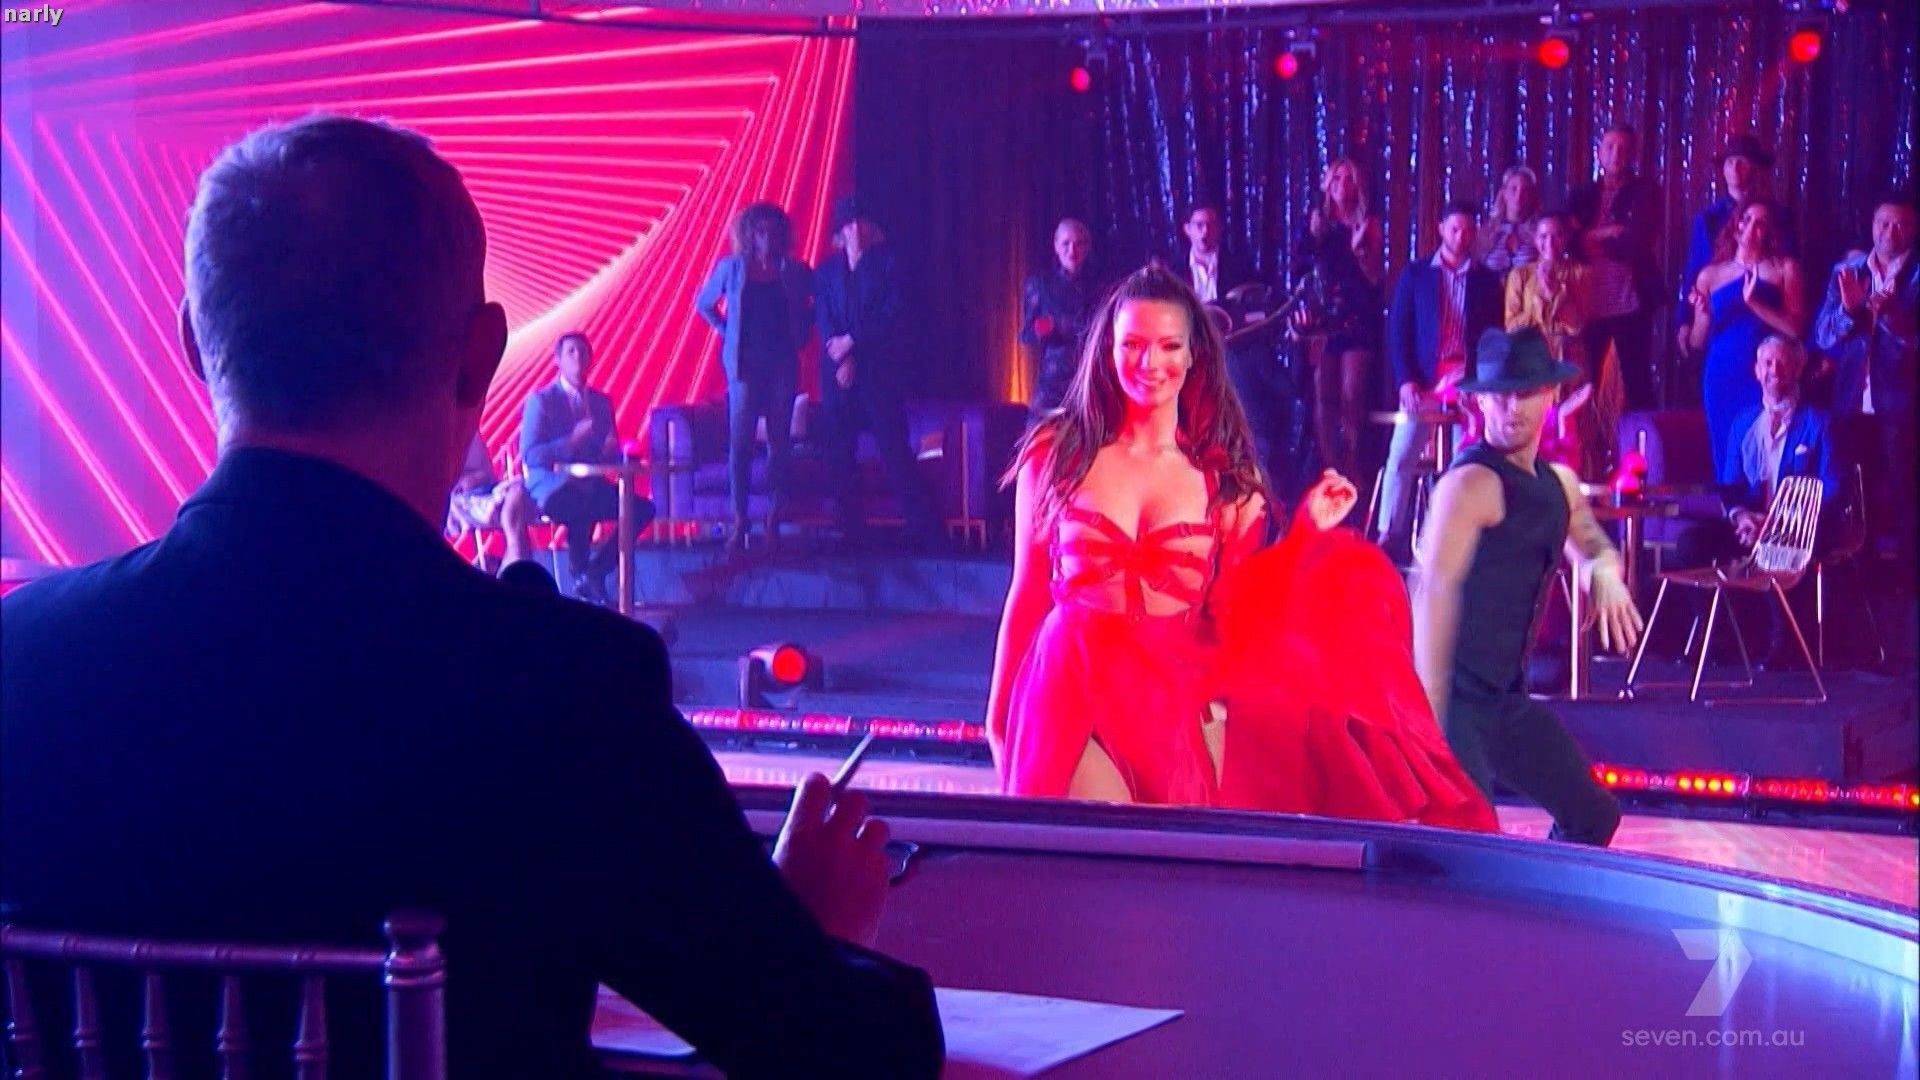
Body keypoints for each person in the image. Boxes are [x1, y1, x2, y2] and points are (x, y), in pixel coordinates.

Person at [0, 115, 943, 1079]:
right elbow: (852, 1059)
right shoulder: (565, 691)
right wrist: (813, 936)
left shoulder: (18, 665)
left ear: (195, 345)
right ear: (479, 354)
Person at [985, 265, 1494, 830]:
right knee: (1098, 840)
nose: (1150, 363)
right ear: (1107, 349)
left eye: (1168, 346)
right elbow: (1026, 591)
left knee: (1156, 874)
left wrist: (1305, 533)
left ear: (1194, 356)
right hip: (1067, 685)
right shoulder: (1057, 453)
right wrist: (997, 714)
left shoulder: (1224, 479)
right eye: (1132, 345)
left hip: (1166, 703)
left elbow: (1239, 612)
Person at [1413, 328, 1642, 846]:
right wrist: (1428, 719)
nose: (1512, 407)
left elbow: (1592, 544)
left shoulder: (1558, 483)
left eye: (1525, 393)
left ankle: (1544, 898)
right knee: (1471, 845)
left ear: (1550, 395)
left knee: (1593, 816)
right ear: (1479, 401)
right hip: (1451, 700)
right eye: (1500, 394)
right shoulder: (1468, 484)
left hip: (1504, 700)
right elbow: (1431, 593)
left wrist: (1604, 572)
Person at [1672, 336, 1844, 667]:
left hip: (1799, 527)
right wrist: (1742, 517)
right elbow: (1731, 485)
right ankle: (1720, 641)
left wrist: (1779, 520)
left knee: (1777, 544)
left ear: (1797, 370)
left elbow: (1833, 485)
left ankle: (1785, 646)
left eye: (1782, 363)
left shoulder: (1818, 423)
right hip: (1753, 522)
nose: (1774, 371)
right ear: (1756, 370)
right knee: (1690, 544)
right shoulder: (1743, 422)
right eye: (1767, 363)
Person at [1379, 200, 1504, 558]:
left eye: (1467, 230)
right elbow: (1398, 330)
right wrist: (1405, 380)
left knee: (1463, 463)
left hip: (1466, 385)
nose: (1460, 236)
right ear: (1441, 229)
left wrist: (1478, 378)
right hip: (1423, 383)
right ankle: (1389, 534)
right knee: (1402, 455)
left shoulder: (1485, 280)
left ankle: (1452, 539)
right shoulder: (1416, 275)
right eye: (1454, 229)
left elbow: (1494, 338)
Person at [814, 196, 941, 547]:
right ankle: (849, 528)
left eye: (861, 222)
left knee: (892, 446)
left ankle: (923, 529)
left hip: (877, 372)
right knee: (840, 450)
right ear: (840, 231)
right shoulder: (825, 272)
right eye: (849, 224)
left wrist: (853, 343)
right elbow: (825, 319)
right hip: (838, 373)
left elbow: (890, 314)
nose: (855, 229)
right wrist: (842, 356)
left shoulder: (889, 266)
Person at [695, 201, 815, 552]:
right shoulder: (732, 268)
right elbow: (704, 303)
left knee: (779, 443)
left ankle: (773, 520)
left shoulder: (792, 270)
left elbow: (816, 301)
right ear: (749, 234)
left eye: (773, 231)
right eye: (760, 231)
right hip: (744, 367)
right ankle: (739, 521)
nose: (767, 237)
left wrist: (802, 331)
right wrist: (725, 330)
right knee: (740, 444)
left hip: (781, 364)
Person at [1813, 195, 1917, 575]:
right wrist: (1849, 310)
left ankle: (1909, 582)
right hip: (1852, 401)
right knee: (1857, 496)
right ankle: (1863, 578)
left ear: (1913, 229)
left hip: (1903, 404)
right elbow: (1824, 335)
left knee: (1907, 495)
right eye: (1883, 223)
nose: (1890, 232)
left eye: (1899, 224)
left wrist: (1887, 314)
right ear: (1872, 225)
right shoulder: (1848, 271)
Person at [520, 331, 656, 605]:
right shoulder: (542, 400)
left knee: (641, 509)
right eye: (571, 352)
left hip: (591, 483)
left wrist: (614, 453)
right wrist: (571, 441)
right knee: (577, 502)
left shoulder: (600, 402)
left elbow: (607, 452)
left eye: (583, 352)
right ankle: (581, 574)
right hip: (552, 485)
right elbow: (531, 455)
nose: (578, 357)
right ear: (557, 360)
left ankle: (595, 572)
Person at [1682, 198, 1805, 477]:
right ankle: (1731, 503)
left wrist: (1755, 304)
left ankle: (1765, 503)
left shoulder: (1784, 269)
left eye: (1760, 223)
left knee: (1764, 452)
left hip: (1767, 374)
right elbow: (1697, 342)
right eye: (1746, 220)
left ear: (1769, 232)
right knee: (1725, 452)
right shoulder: (1710, 275)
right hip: (1721, 374)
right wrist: (1703, 313)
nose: (1751, 228)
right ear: (1735, 226)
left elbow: (1796, 329)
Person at [1291, 158, 1385, 490]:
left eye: (1349, 179)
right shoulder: (1317, 221)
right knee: (1323, 395)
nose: (1343, 185)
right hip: (1323, 319)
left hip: (1356, 317)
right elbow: (1299, 267)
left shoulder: (1367, 223)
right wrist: (1314, 237)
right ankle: (1330, 467)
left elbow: (1375, 280)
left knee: (1351, 393)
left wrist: (1360, 251)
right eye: (1337, 179)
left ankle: (1352, 462)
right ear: (1327, 185)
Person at [1569, 124, 1664, 410]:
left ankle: (1641, 438)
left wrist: (1588, 239)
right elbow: (1569, 243)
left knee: (1637, 382)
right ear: (1598, 152)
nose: (1615, 154)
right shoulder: (1582, 194)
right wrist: (1606, 232)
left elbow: (1634, 242)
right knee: (1587, 382)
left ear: (1632, 154)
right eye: (1610, 147)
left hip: (1630, 301)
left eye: (1623, 148)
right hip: (1588, 303)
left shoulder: (1645, 192)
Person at [1676, 134, 1793, 362]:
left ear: (1755, 168)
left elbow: (1788, 269)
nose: (1735, 168)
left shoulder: (1779, 217)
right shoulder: (1708, 219)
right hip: (1718, 315)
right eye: (1729, 162)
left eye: (1742, 161)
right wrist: (1684, 319)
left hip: (1765, 320)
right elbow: (1694, 269)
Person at [1504, 210, 1601, 476]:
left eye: (1557, 236)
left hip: (1568, 359)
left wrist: (1558, 294)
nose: (1550, 243)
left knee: (1571, 431)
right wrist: (1539, 303)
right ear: (1535, 239)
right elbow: (1511, 325)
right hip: (1531, 361)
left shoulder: (1580, 274)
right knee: (1533, 430)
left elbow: (1578, 324)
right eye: (1544, 236)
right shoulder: (1520, 276)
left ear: (1566, 238)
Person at [1020, 218, 1100, 420]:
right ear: (1056, 246)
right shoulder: (1040, 284)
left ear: (1087, 247)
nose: (1072, 250)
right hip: (1053, 380)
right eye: (1066, 244)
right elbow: (1026, 333)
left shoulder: (1099, 286)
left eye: (1079, 244)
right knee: (1038, 434)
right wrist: (1043, 329)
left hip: (1090, 378)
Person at [447, 430, 531, 567]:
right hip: (458, 501)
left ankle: (515, 558)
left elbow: (484, 474)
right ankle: (515, 557)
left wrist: (467, 480)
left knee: (517, 493)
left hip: (482, 493)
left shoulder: (467, 430)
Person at [1170, 202, 1260, 304]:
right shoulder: (1174, 271)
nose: (1205, 231)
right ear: (1187, 229)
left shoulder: (1239, 266)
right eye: (1199, 225)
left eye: (1211, 225)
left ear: (1219, 228)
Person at [1476, 165, 1542, 275]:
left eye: (1525, 190)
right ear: (1504, 193)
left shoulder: (1540, 232)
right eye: (1513, 189)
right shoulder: (1487, 231)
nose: (1519, 195)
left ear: (1532, 196)